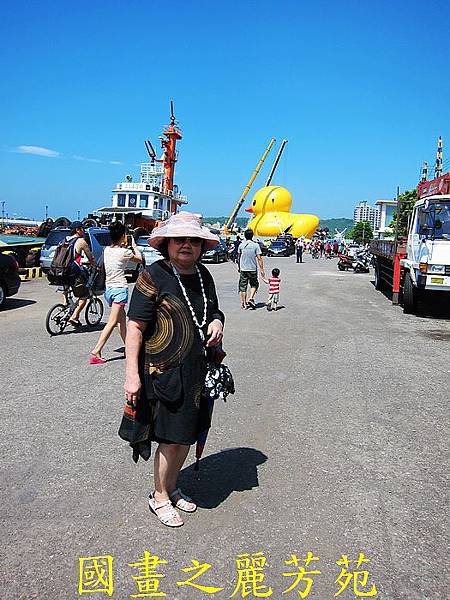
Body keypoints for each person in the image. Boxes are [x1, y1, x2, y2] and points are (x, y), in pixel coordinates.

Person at [120, 212, 224, 528]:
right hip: (163, 375)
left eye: (194, 240)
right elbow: (135, 326)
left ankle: (173, 486)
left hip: (196, 373)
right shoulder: (153, 276)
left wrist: (218, 321)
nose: (187, 245)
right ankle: (159, 496)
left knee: (186, 436)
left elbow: (214, 310)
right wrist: (131, 374)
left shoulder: (204, 276)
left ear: (202, 246)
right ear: (167, 243)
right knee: (170, 438)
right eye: (180, 239)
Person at [90, 221, 143, 364]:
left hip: (109, 289)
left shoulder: (107, 250)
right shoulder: (124, 252)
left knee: (121, 320)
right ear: (123, 236)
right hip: (120, 289)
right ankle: (96, 351)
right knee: (113, 321)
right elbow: (140, 259)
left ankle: (129, 348)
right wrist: (134, 246)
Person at [65, 221, 97, 327]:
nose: (84, 231)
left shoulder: (64, 240)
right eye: (82, 229)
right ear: (78, 230)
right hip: (73, 273)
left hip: (61, 272)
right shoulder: (81, 241)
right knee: (84, 295)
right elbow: (90, 257)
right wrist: (96, 266)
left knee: (66, 289)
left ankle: (65, 305)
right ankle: (74, 317)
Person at [237, 229, 265, 309]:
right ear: (252, 236)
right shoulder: (256, 245)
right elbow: (259, 258)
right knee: (254, 284)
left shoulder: (241, 245)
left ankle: (244, 303)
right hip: (252, 269)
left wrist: (238, 267)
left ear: (245, 236)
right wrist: (262, 269)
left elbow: (238, 257)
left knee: (243, 287)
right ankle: (251, 298)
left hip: (243, 269)